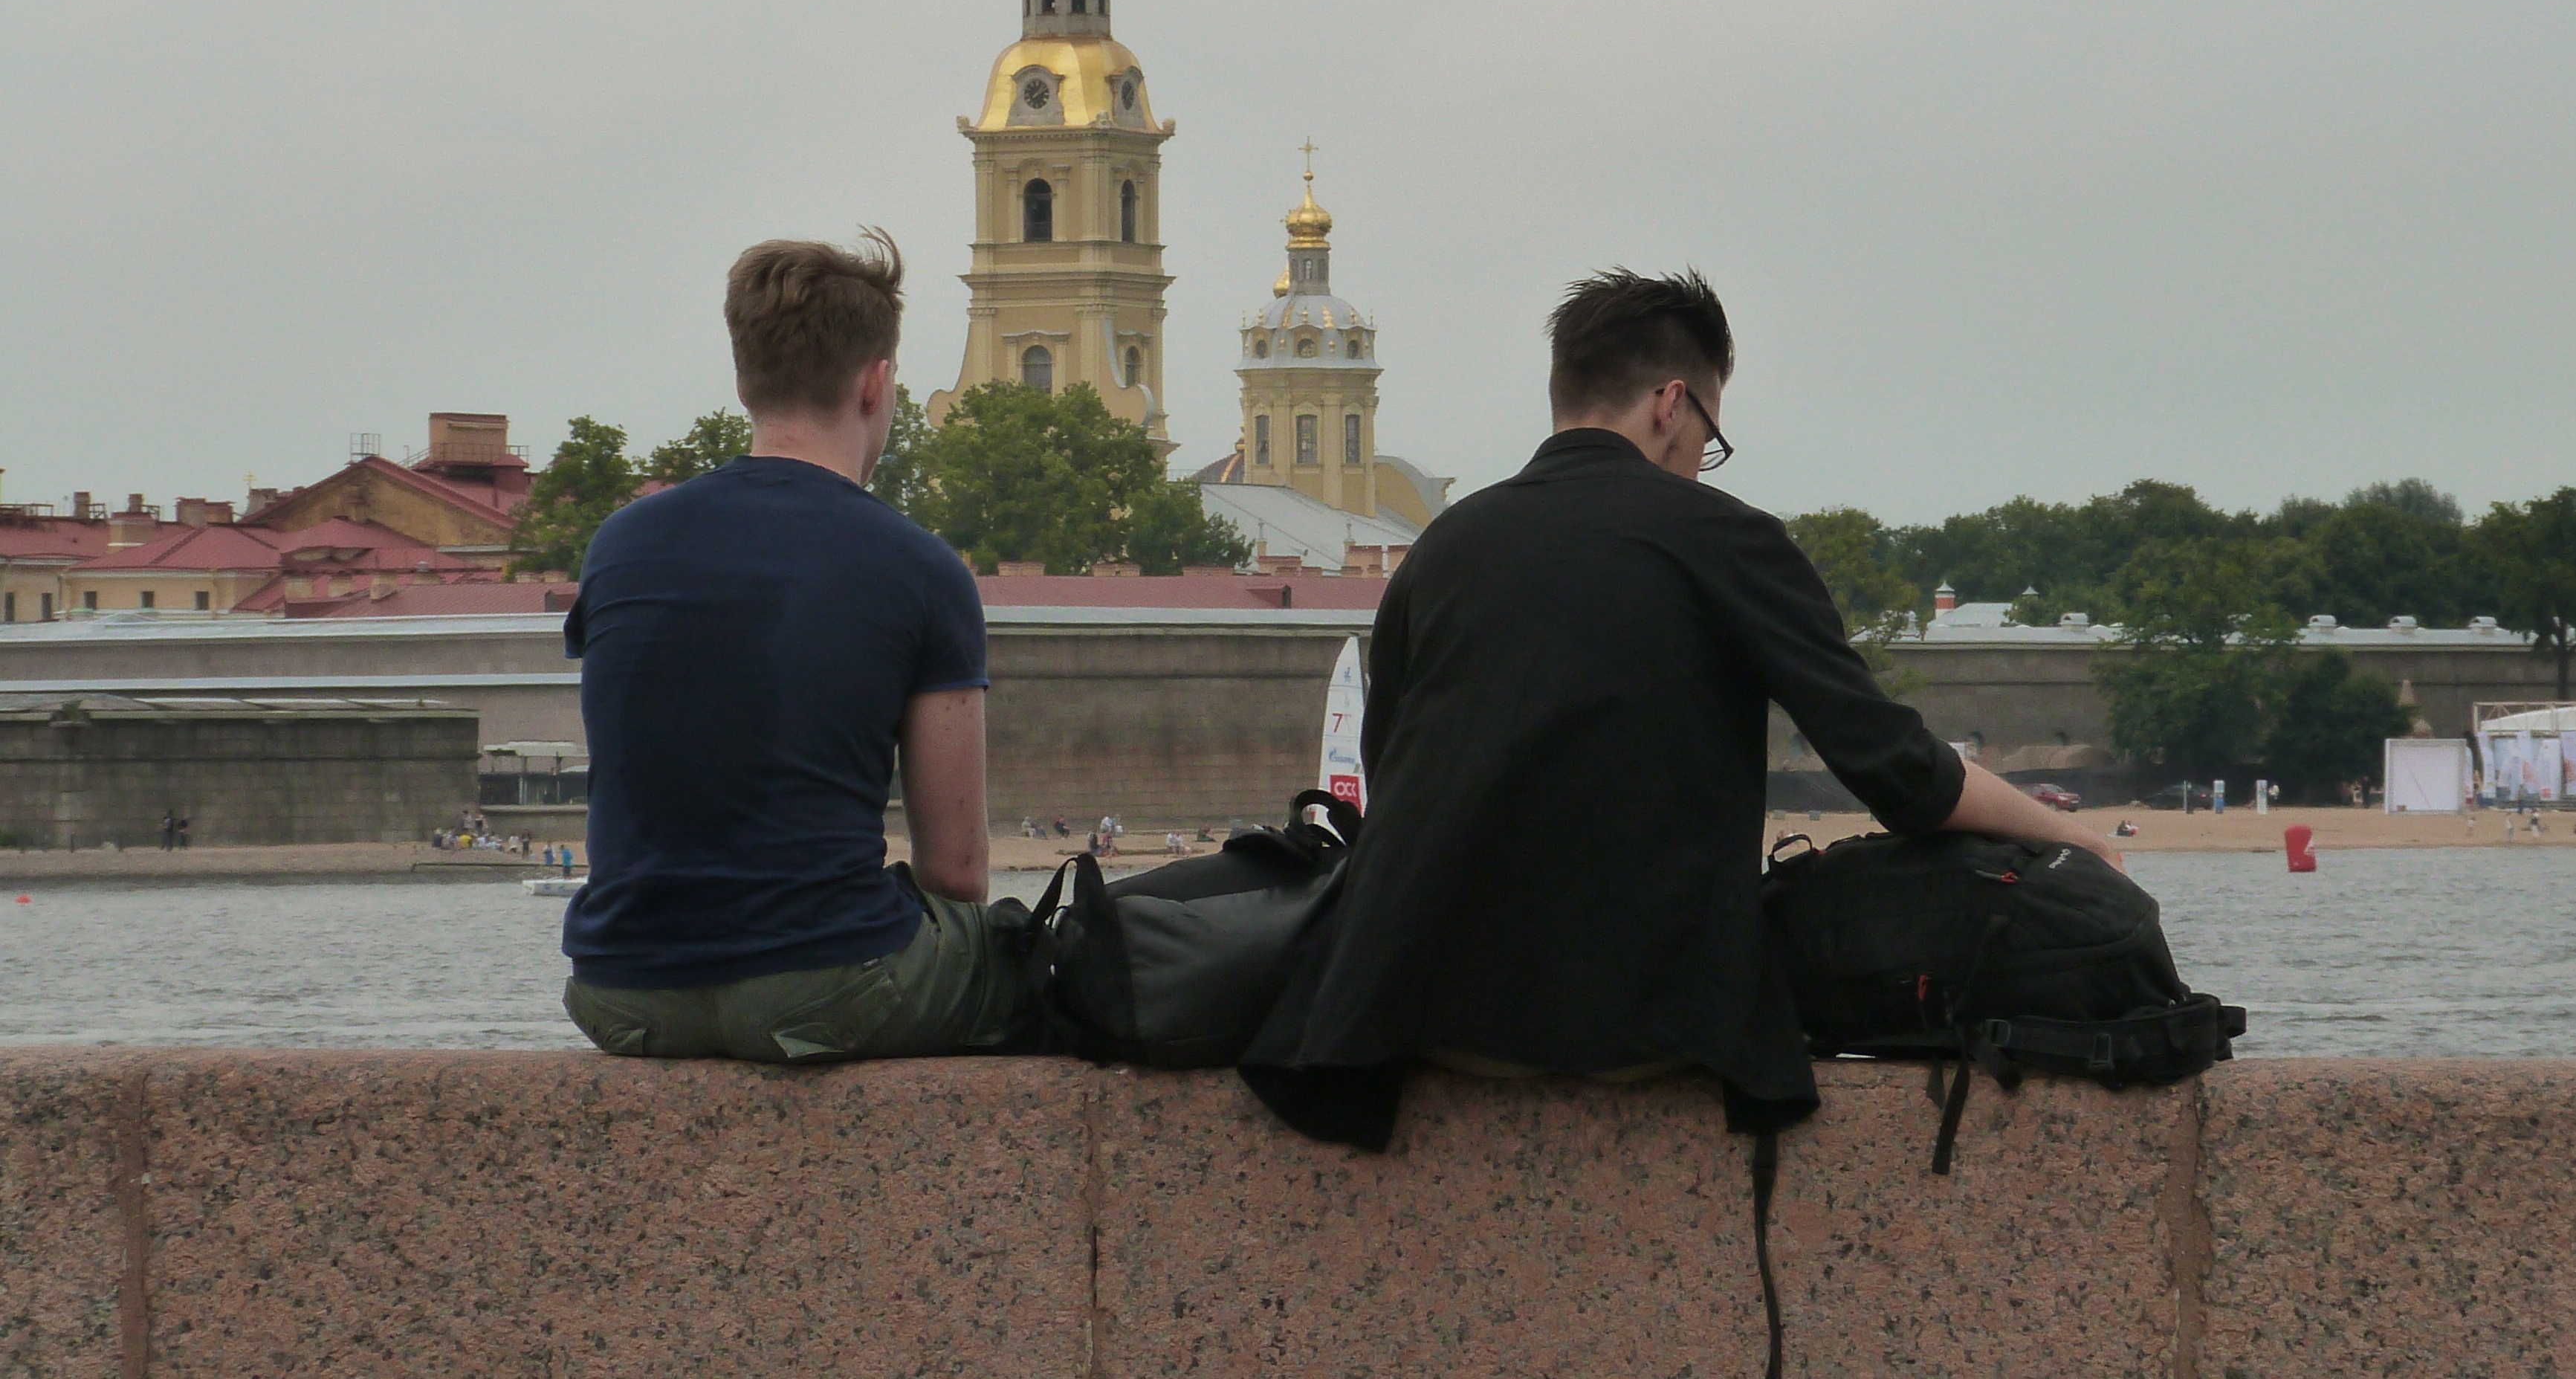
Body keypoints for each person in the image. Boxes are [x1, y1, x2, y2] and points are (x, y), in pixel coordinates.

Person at [1242, 268, 2124, 1150]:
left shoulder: (1441, 548)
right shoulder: (1723, 536)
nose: (1704, 457)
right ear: (1671, 403)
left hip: (1420, 1018)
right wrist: (2073, 839)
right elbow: (1896, 772)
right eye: (1711, 430)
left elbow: (1388, 768)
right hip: (1646, 1025)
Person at [557, 230, 1029, 1063]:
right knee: (1017, 954)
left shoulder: (620, 545)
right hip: (832, 993)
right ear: (876, 384)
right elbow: (956, 875)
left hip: (622, 994)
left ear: (745, 381)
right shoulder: (920, 567)